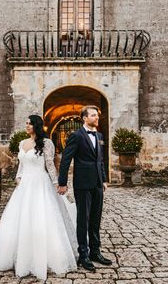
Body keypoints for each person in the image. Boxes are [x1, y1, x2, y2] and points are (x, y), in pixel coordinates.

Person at [0, 115, 77, 281]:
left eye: (30, 123)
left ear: (37, 126)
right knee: (20, 219)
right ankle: (19, 255)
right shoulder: (22, 143)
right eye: (26, 123)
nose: (27, 126)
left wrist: (57, 183)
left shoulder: (47, 143)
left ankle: (47, 257)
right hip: (24, 186)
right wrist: (18, 177)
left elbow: (50, 165)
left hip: (41, 183)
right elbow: (21, 165)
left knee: (42, 218)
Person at [57, 105, 112, 272]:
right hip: (82, 183)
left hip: (97, 183)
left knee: (96, 218)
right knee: (83, 219)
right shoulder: (76, 136)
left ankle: (95, 252)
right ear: (85, 118)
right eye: (93, 115)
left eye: (97, 115)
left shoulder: (100, 135)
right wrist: (62, 182)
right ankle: (83, 254)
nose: (97, 118)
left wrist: (103, 179)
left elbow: (100, 160)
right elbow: (66, 160)